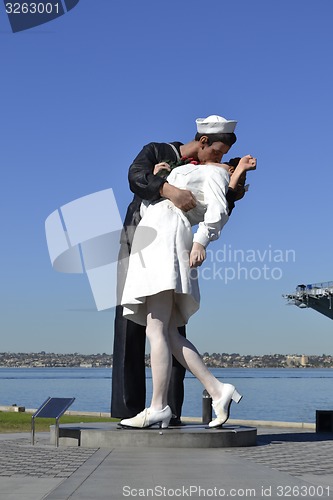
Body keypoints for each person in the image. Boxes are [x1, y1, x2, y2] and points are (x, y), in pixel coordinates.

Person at [111, 115, 239, 424]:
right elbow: (136, 177)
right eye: (217, 154)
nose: (220, 160)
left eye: (224, 159)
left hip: (164, 241)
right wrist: (166, 185)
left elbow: (218, 207)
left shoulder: (209, 173)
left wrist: (201, 241)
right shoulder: (160, 153)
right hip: (140, 237)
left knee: (160, 327)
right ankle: (211, 390)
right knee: (157, 329)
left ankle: (163, 408)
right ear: (203, 142)